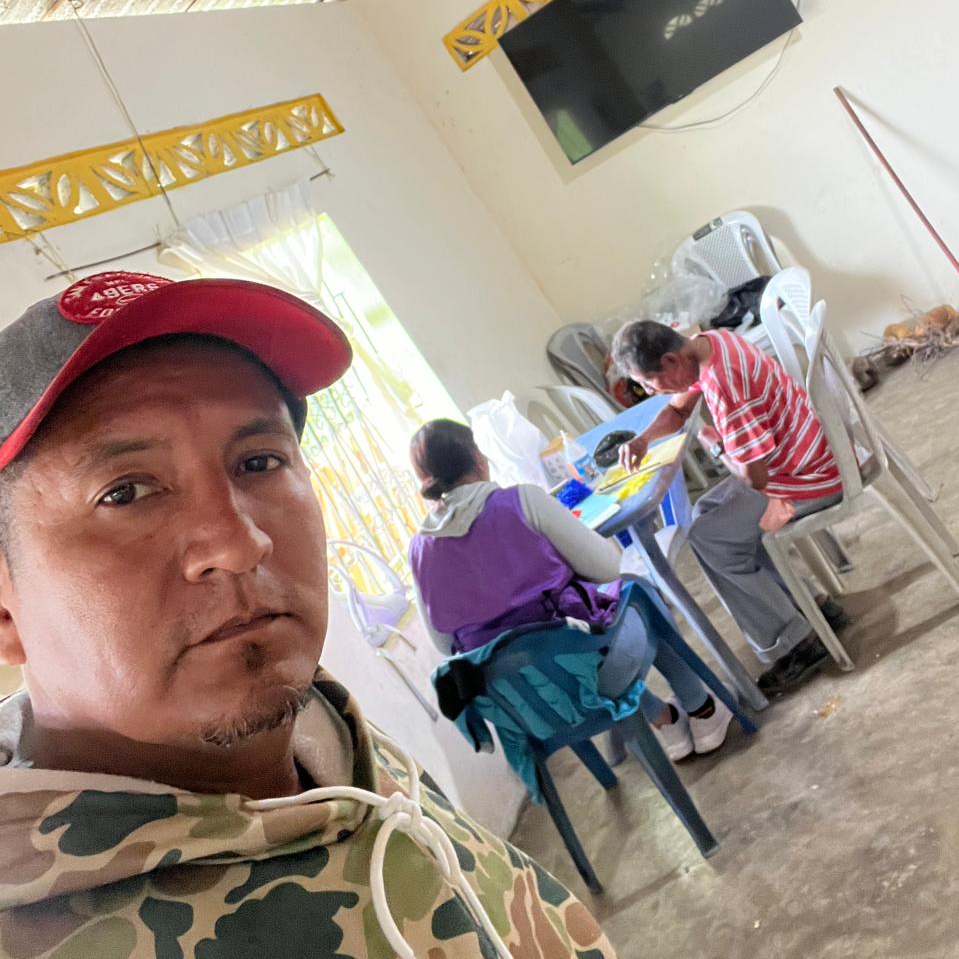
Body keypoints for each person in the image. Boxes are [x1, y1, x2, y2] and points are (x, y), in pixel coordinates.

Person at [0, 270, 616, 959]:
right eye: (125, 493)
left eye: (259, 461)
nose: (240, 544)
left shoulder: (328, 732)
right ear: (4, 611)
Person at [408, 418, 734, 761]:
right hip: (591, 672)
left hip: (528, 707)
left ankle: (665, 721)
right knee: (636, 594)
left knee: (559, 649)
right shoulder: (520, 501)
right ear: (478, 458)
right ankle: (703, 710)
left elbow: (445, 644)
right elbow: (608, 568)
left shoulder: (419, 551)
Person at [611, 320, 850, 698]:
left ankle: (795, 643)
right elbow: (677, 411)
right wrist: (643, 440)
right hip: (802, 453)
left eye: (649, 382)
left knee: (712, 539)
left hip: (806, 478)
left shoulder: (725, 386)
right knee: (706, 511)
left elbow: (755, 478)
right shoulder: (709, 343)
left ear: (671, 360)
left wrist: (716, 444)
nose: (650, 391)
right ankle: (808, 606)